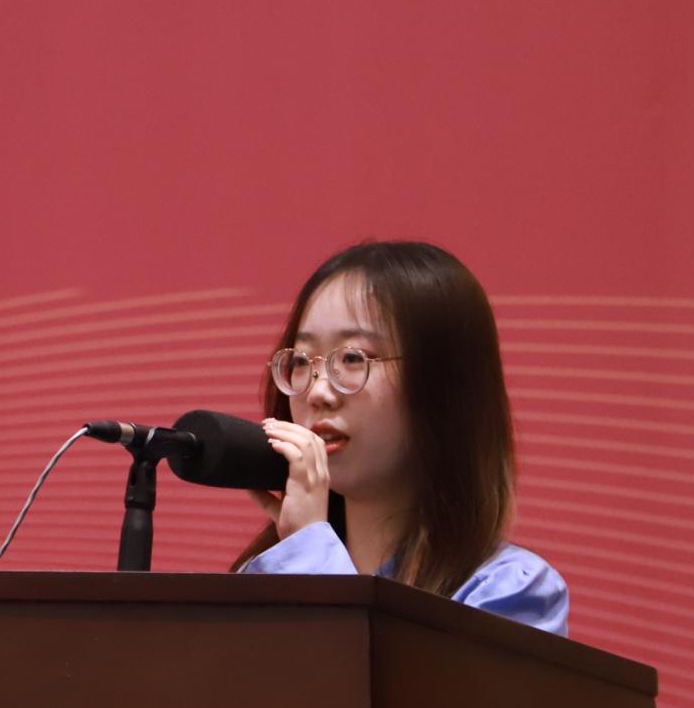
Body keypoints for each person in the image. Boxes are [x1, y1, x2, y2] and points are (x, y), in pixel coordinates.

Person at [236, 240, 569, 636]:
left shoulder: (507, 591)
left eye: (353, 358)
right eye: (302, 361)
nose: (318, 392)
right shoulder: (263, 579)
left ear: (444, 386)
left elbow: (364, 674)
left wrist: (308, 550)